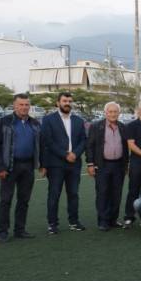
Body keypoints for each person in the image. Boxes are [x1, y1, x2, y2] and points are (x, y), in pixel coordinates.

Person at [0, 93, 41, 242]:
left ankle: (20, 230)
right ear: (14, 106)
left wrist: (41, 164)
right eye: (21, 104)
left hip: (28, 166)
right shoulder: (4, 122)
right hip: (9, 167)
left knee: (24, 200)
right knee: (6, 200)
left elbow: (40, 145)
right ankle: (3, 231)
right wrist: (0, 168)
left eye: (27, 105)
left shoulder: (35, 123)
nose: (24, 107)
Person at [41, 91, 87, 234]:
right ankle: (52, 224)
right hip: (56, 164)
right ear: (58, 103)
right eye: (64, 101)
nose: (67, 103)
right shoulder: (48, 120)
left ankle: (74, 222)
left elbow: (83, 140)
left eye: (69, 101)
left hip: (74, 164)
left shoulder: (78, 120)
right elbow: (48, 141)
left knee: (73, 194)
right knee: (54, 194)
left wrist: (75, 153)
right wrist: (65, 154)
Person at [86, 101, 129, 231]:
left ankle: (113, 220)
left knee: (116, 193)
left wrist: (126, 164)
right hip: (102, 165)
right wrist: (90, 164)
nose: (113, 114)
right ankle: (103, 221)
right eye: (110, 112)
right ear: (105, 113)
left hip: (119, 165)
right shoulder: (96, 126)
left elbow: (126, 147)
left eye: (115, 112)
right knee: (103, 193)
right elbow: (90, 146)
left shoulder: (123, 127)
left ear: (119, 113)